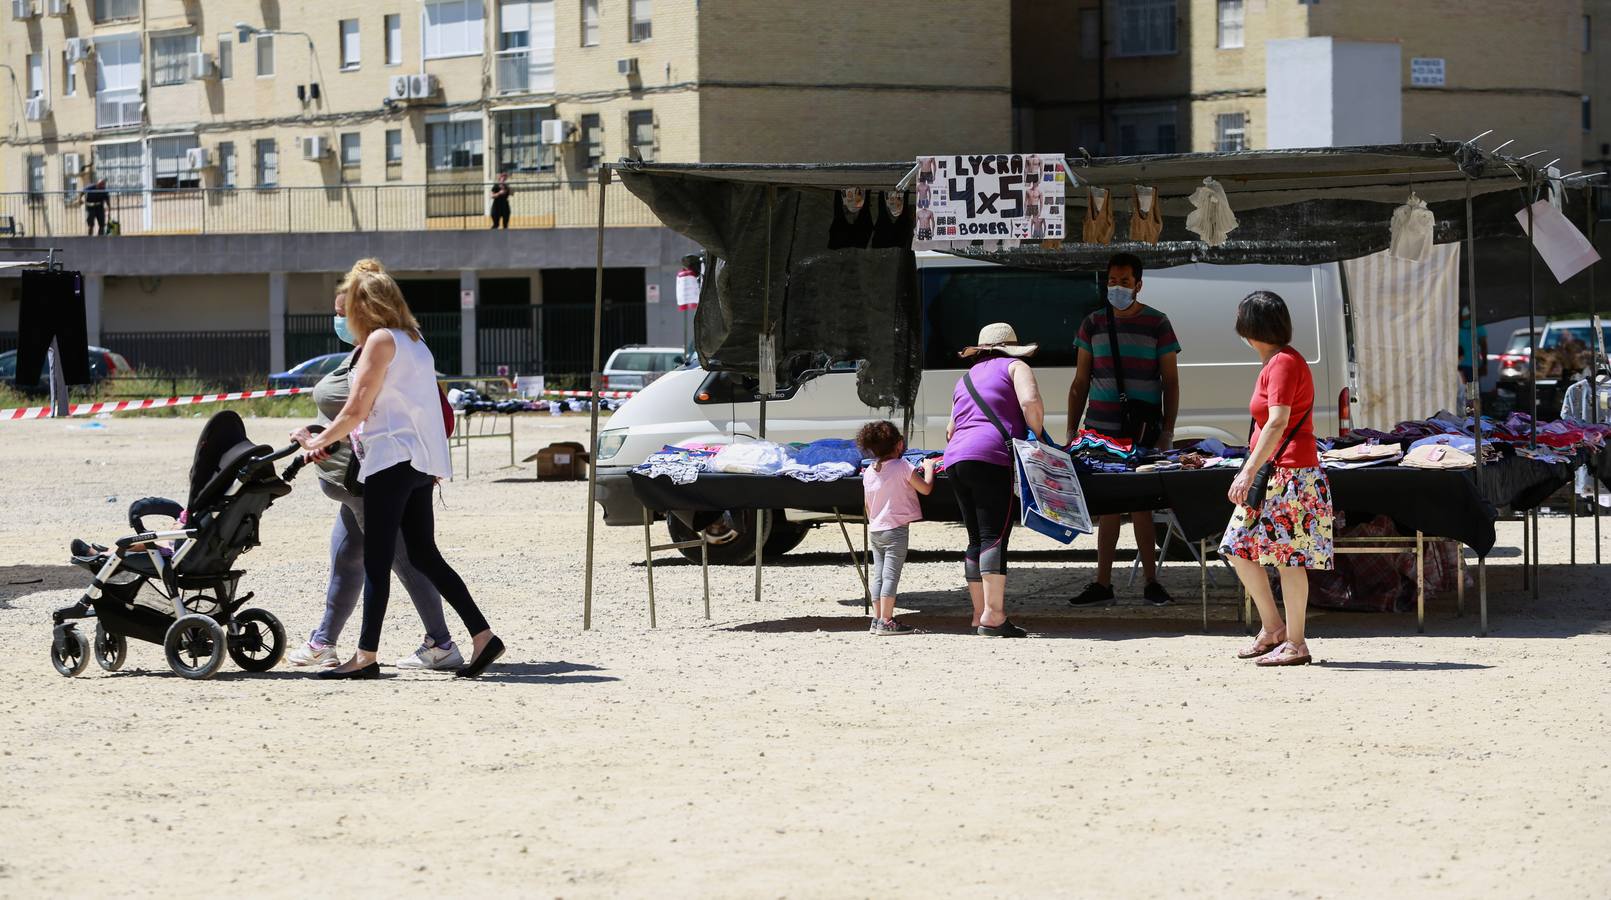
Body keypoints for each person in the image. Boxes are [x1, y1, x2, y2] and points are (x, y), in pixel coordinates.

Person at [292, 264, 504, 680]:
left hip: (391, 459)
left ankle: (366, 656)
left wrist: (316, 441)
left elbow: (357, 409)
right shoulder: (414, 341)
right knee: (424, 554)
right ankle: (482, 636)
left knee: (376, 560)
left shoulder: (379, 341)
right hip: (421, 461)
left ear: (363, 307)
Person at [1221, 291, 1333, 667]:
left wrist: (1248, 469)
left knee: (1288, 559)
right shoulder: (1279, 361)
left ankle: (1296, 642)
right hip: (1280, 473)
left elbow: (1278, 420)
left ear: (1250, 328)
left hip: (1290, 474)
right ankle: (1274, 628)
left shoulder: (1282, 363)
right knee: (1239, 548)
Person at [1066, 252, 1181, 607]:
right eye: (1112, 281)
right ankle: (1103, 582)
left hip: (1143, 431)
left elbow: (1171, 382)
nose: (1117, 287)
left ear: (1139, 284)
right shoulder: (1092, 324)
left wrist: (1167, 431)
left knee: (1143, 504)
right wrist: (1073, 432)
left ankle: (1151, 581)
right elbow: (1080, 381)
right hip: (1099, 432)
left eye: (1125, 282)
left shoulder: (1158, 324)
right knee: (1109, 506)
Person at [945, 323, 1047, 637]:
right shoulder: (1016, 366)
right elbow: (1030, 403)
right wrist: (1038, 437)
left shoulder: (964, 378)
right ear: (1010, 347)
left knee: (976, 538)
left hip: (954, 459)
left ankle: (979, 613)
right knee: (994, 536)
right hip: (990, 457)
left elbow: (950, 430)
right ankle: (994, 615)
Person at [855, 420, 937, 636]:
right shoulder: (902, 467)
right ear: (899, 444)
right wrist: (929, 469)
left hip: (876, 529)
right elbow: (925, 489)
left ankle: (877, 618)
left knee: (879, 575)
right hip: (896, 530)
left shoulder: (869, 472)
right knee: (891, 576)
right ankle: (887, 621)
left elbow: (866, 504)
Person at [1456, 305, 1487, 412]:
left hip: (1459, 367)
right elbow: (1484, 347)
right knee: (1472, 395)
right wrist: (1485, 364)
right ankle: (1474, 415)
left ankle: (1466, 414)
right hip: (1472, 367)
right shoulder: (1478, 327)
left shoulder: (1457, 326)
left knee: (1462, 394)